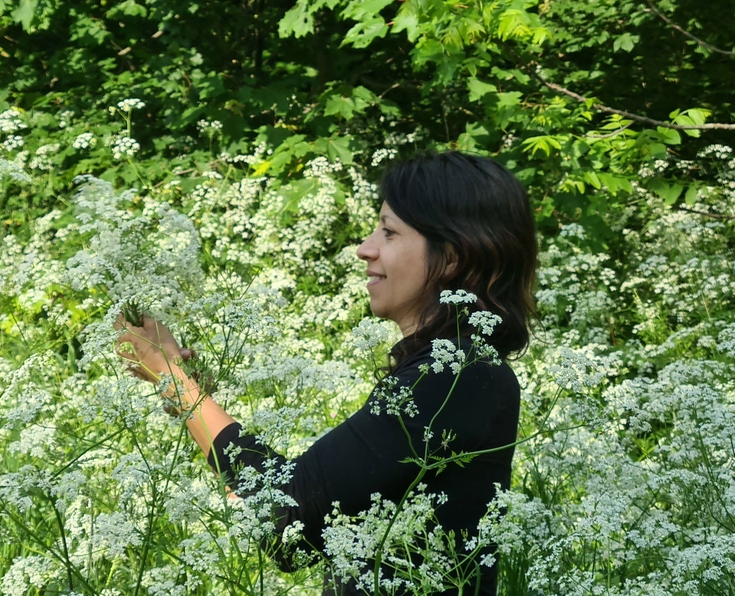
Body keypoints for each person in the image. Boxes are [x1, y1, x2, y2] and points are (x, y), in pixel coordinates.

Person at [115, 150, 538, 596]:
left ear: (451, 256)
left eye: (389, 232)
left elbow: (285, 517)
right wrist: (184, 380)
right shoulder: (454, 373)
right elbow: (302, 522)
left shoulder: (457, 378)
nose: (365, 249)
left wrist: (175, 382)